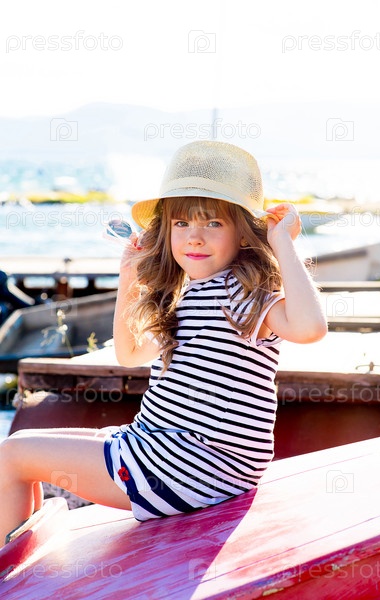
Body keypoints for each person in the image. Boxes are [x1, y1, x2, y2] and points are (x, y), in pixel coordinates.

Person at [0, 141, 327, 545]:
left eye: (213, 223)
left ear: (245, 234)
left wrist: (283, 242)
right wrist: (129, 277)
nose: (195, 237)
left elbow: (310, 328)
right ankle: (21, 550)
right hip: (166, 448)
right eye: (181, 223)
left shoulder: (243, 295)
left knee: (12, 457)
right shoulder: (189, 296)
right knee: (19, 446)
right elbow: (129, 354)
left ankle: (10, 567)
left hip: (193, 465)